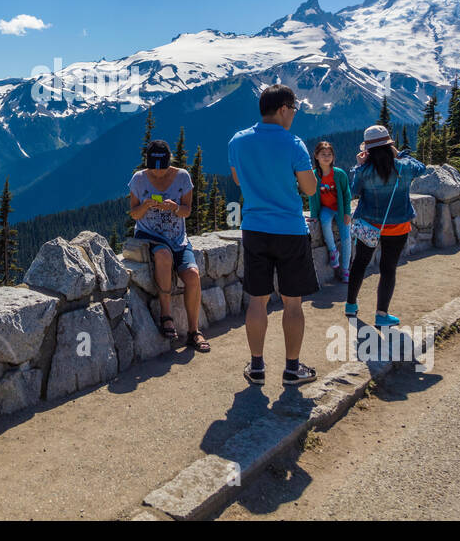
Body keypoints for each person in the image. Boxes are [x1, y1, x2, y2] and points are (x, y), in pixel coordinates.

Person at [228, 84, 319, 387]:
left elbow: (239, 179)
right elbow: (309, 189)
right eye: (293, 109)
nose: (294, 114)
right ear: (282, 108)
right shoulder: (294, 143)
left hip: (254, 227)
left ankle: (256, 367)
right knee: (293, 303)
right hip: (290, 230)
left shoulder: (237, 141)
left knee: (258, 300)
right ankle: (292, 370)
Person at [128, 139, 209, 353]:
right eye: (153, 171)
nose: (158, 174)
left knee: (192, 275)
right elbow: (134, 214)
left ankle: (194, 331)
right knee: (163, 255)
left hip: (178, 238)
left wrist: (175, 208)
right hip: (150, 235)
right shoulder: (138, 179)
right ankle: (166, 316)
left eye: (162, 170)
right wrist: (145, 206)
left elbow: (187, 211)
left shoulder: (182, 177)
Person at [346, 125, 426, 327]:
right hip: (398, 226)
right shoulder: (405, 166)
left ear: (368, 150)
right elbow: (422, 167)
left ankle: (350, 305)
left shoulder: (364, 171)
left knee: (359, 263)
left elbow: (353, 192)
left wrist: (358, 165)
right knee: (388, 268)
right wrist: (399, 154)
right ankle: (382, 314)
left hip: (369, 225)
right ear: (389, 145)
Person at [307, 140, 352, 283]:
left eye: (329, 154)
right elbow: (312, 196)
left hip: (340, 208)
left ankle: (345, 269)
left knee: (346, 238)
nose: (326, 157)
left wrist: (347, 213)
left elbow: (346, 194)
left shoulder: (339, 174)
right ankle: (333, 251)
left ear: (333, 156)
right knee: (324, 221)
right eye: (323, 154)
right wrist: (314, 216)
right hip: (326, 208)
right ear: (316, 156)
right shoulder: (314, 175)